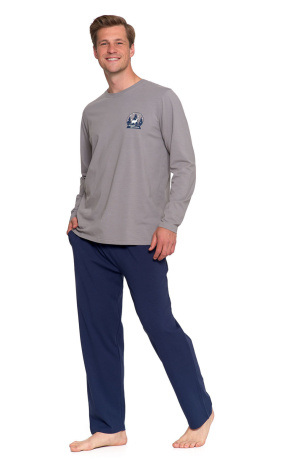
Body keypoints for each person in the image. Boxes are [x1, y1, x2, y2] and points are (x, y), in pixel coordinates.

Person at [67, 15, 214, 452]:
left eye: (118, 42)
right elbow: (89, 171)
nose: (111, 49)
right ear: (95, 52)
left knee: (160, 326)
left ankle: (200, 413)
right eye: (103, 43)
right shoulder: (92, 111)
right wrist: (76, 212)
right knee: (98, 333)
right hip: (91, 239)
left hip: (142, 239)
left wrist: (170, 223)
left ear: (131, 49)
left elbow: (184, 166)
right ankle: (109, 426)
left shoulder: (161, 99)